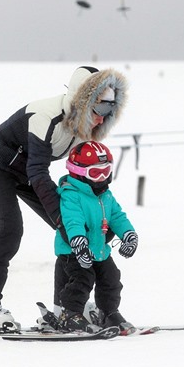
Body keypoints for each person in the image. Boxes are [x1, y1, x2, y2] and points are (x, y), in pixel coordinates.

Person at [0, 66, 128, 329]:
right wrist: (62, 218)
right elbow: (38, 171)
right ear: (82, 101)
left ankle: (65, 308)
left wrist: (98, 221)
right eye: (99, 109)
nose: (103, 118)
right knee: (10, 231)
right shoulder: (46, 115)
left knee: (71, 229)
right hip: (1, 166)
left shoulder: (85, 127)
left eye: (110, 110)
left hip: (31, 172)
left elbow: (80, 179)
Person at [53, 141, 139, 333]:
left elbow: (117, 216)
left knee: (111, 279)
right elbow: (72, 221)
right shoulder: (71, 195)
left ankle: (108, 313)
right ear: (78, 172)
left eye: (106, 171)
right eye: (95, 172)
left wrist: (129, 235)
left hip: (100, 250)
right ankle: (70, 313)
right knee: (82, 280)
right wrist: (79, 243)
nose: (101, 178)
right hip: (74, 252)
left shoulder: (106, 195)